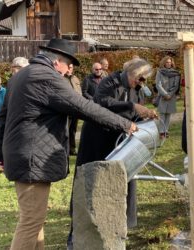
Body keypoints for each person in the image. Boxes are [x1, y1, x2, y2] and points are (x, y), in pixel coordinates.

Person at [0, 38, 137, 250]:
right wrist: (125, 124)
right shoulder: (46, 77)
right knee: (31, 221)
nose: (68, 71)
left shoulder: (22, 75)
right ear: (56, 61)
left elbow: (3, 119)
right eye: (68, 65)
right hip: (33, 158)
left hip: (23, 155)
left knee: (35, 218)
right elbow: (84, 107)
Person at [66, 58, 157, 249]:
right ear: (131, 73)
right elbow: (103, 102)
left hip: (119, 142)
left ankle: (116, 226)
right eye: (139, 79)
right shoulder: (110, 81)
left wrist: (144, 113)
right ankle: (77, 233)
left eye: (143, 80)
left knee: (123, 180)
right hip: (97, 141)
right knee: (90, 181)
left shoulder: (137, 87)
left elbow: (133, 110)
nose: (140, 83)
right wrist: (133, 107)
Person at [155, 56, 181, 138]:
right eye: (167, 62)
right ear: (164, 63)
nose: (168, 64)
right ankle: (161, 131)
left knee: (168, 114)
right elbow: (158, 84)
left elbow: (176, 85)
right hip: (162, 96)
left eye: (170, 62)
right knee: (162, 114)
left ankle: (166, 131)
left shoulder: (176, 73)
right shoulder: (159, 72)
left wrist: (170, 94)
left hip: (171, 96)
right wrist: (165, 94)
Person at [65, 64, 82, 155]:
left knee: (73, 130)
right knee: (65, 131)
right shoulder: (61, 78)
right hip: (67, 109)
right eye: (68, 67)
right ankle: (66, 149)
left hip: (76, 109)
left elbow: (79, 91)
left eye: (71, 67)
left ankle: (72, 149)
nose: (69, 69)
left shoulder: (75, 78)